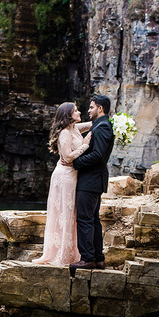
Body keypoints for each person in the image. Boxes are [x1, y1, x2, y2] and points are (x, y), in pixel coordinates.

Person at [36, 102, 91, 266]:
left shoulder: (75, 128)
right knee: (64, 213)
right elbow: (67, 157)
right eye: (76, 111)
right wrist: (86, 145)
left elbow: (92, 124)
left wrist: (111, 121)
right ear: (68, 115)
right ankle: (60, 254)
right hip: (65, 176)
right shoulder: (65, 133)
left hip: (72, 175)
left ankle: (70, 252)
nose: (79, 111)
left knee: (70, 214)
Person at [70, 94, 114, 269]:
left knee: (85, 219)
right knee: (93, 220)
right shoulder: (99, 125)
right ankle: (98, 258)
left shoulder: (102, 127)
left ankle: (87, 259)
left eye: (91, 107)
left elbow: (98, 155)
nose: (88, 111)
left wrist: (76, 163)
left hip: (91, 180)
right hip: (94, 180)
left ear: (100, 109)